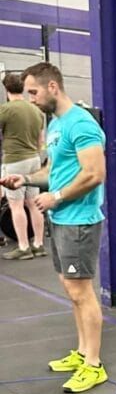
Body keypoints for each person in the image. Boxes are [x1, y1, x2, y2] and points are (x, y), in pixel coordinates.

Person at [0, 62, 107, 393]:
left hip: (79, 221)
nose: (30, 98)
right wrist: (25, 179)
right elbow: (53, 170)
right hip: (61, 219)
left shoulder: (81, 123)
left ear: (52, 87)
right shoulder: (58, 124)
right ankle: (83, 352)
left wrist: (56, 197)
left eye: (33, 92)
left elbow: (94, 174)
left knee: (81, 291)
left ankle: (94, 365)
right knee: (71, 289)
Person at [0, 71, 47, 260]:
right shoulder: (36, 111)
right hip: (34, 159)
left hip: (15, 161)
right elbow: (40, 141)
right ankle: (39, 244)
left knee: (16, 205)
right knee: (34, 204)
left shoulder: (6, 109)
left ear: (6, 89)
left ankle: (23, 247)